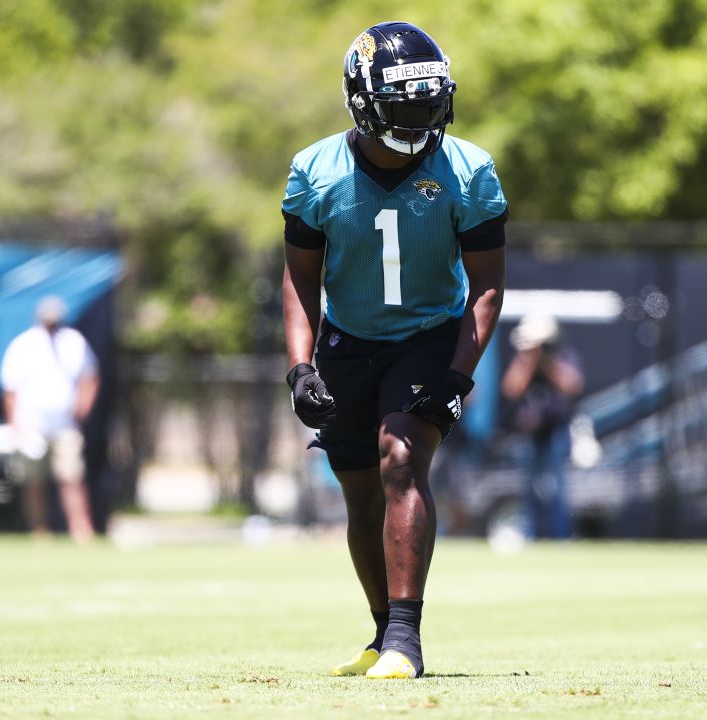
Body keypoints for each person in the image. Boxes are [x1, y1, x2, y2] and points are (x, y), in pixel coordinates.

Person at [281, 22, 506, 680]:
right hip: (347, 341)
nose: (418, 120)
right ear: (361, 100)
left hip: (429, 333)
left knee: (401, 457)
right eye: (402, 106)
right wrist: (300, 366)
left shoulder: (469, 169)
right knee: (359, 494)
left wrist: (459, 377)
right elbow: (300, 279)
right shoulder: (313, 172)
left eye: (427, 105)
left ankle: (407, 638)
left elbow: (488, 285)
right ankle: (385, 635)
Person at [0, 296, 100, 543]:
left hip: (64, 423)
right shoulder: (24, 344)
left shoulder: (74, 342)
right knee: (33, 480)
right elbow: (9, 388)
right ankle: (39, 530)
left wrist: (83, 405)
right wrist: (15, 424)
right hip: (32, 423)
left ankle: (81, 530)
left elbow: (90, 375)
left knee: (71, 476)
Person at [500, 314, 585, 539]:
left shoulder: (562, 356)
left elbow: (572, 385)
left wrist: (546, 362)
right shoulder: (523, 359)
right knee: (529, 489)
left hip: (556, 429)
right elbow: (511, 388)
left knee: (557, 487)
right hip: (530, 432)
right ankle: (532, 535)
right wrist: (528, 360)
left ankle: (560, 536)